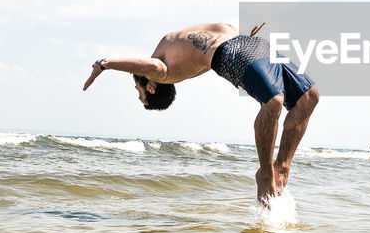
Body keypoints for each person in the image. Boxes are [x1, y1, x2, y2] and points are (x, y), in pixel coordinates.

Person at [82, 22, 320, 206]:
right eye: (140, 92)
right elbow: (150, 67)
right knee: (274, 102)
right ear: (151, 87)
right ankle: (266, 174)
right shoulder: (163, 73)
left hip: (249, 42)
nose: (137, 88)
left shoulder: (166, 50)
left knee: (309, 98)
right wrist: (105, 64)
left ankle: (283, 167)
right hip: (231, 51)